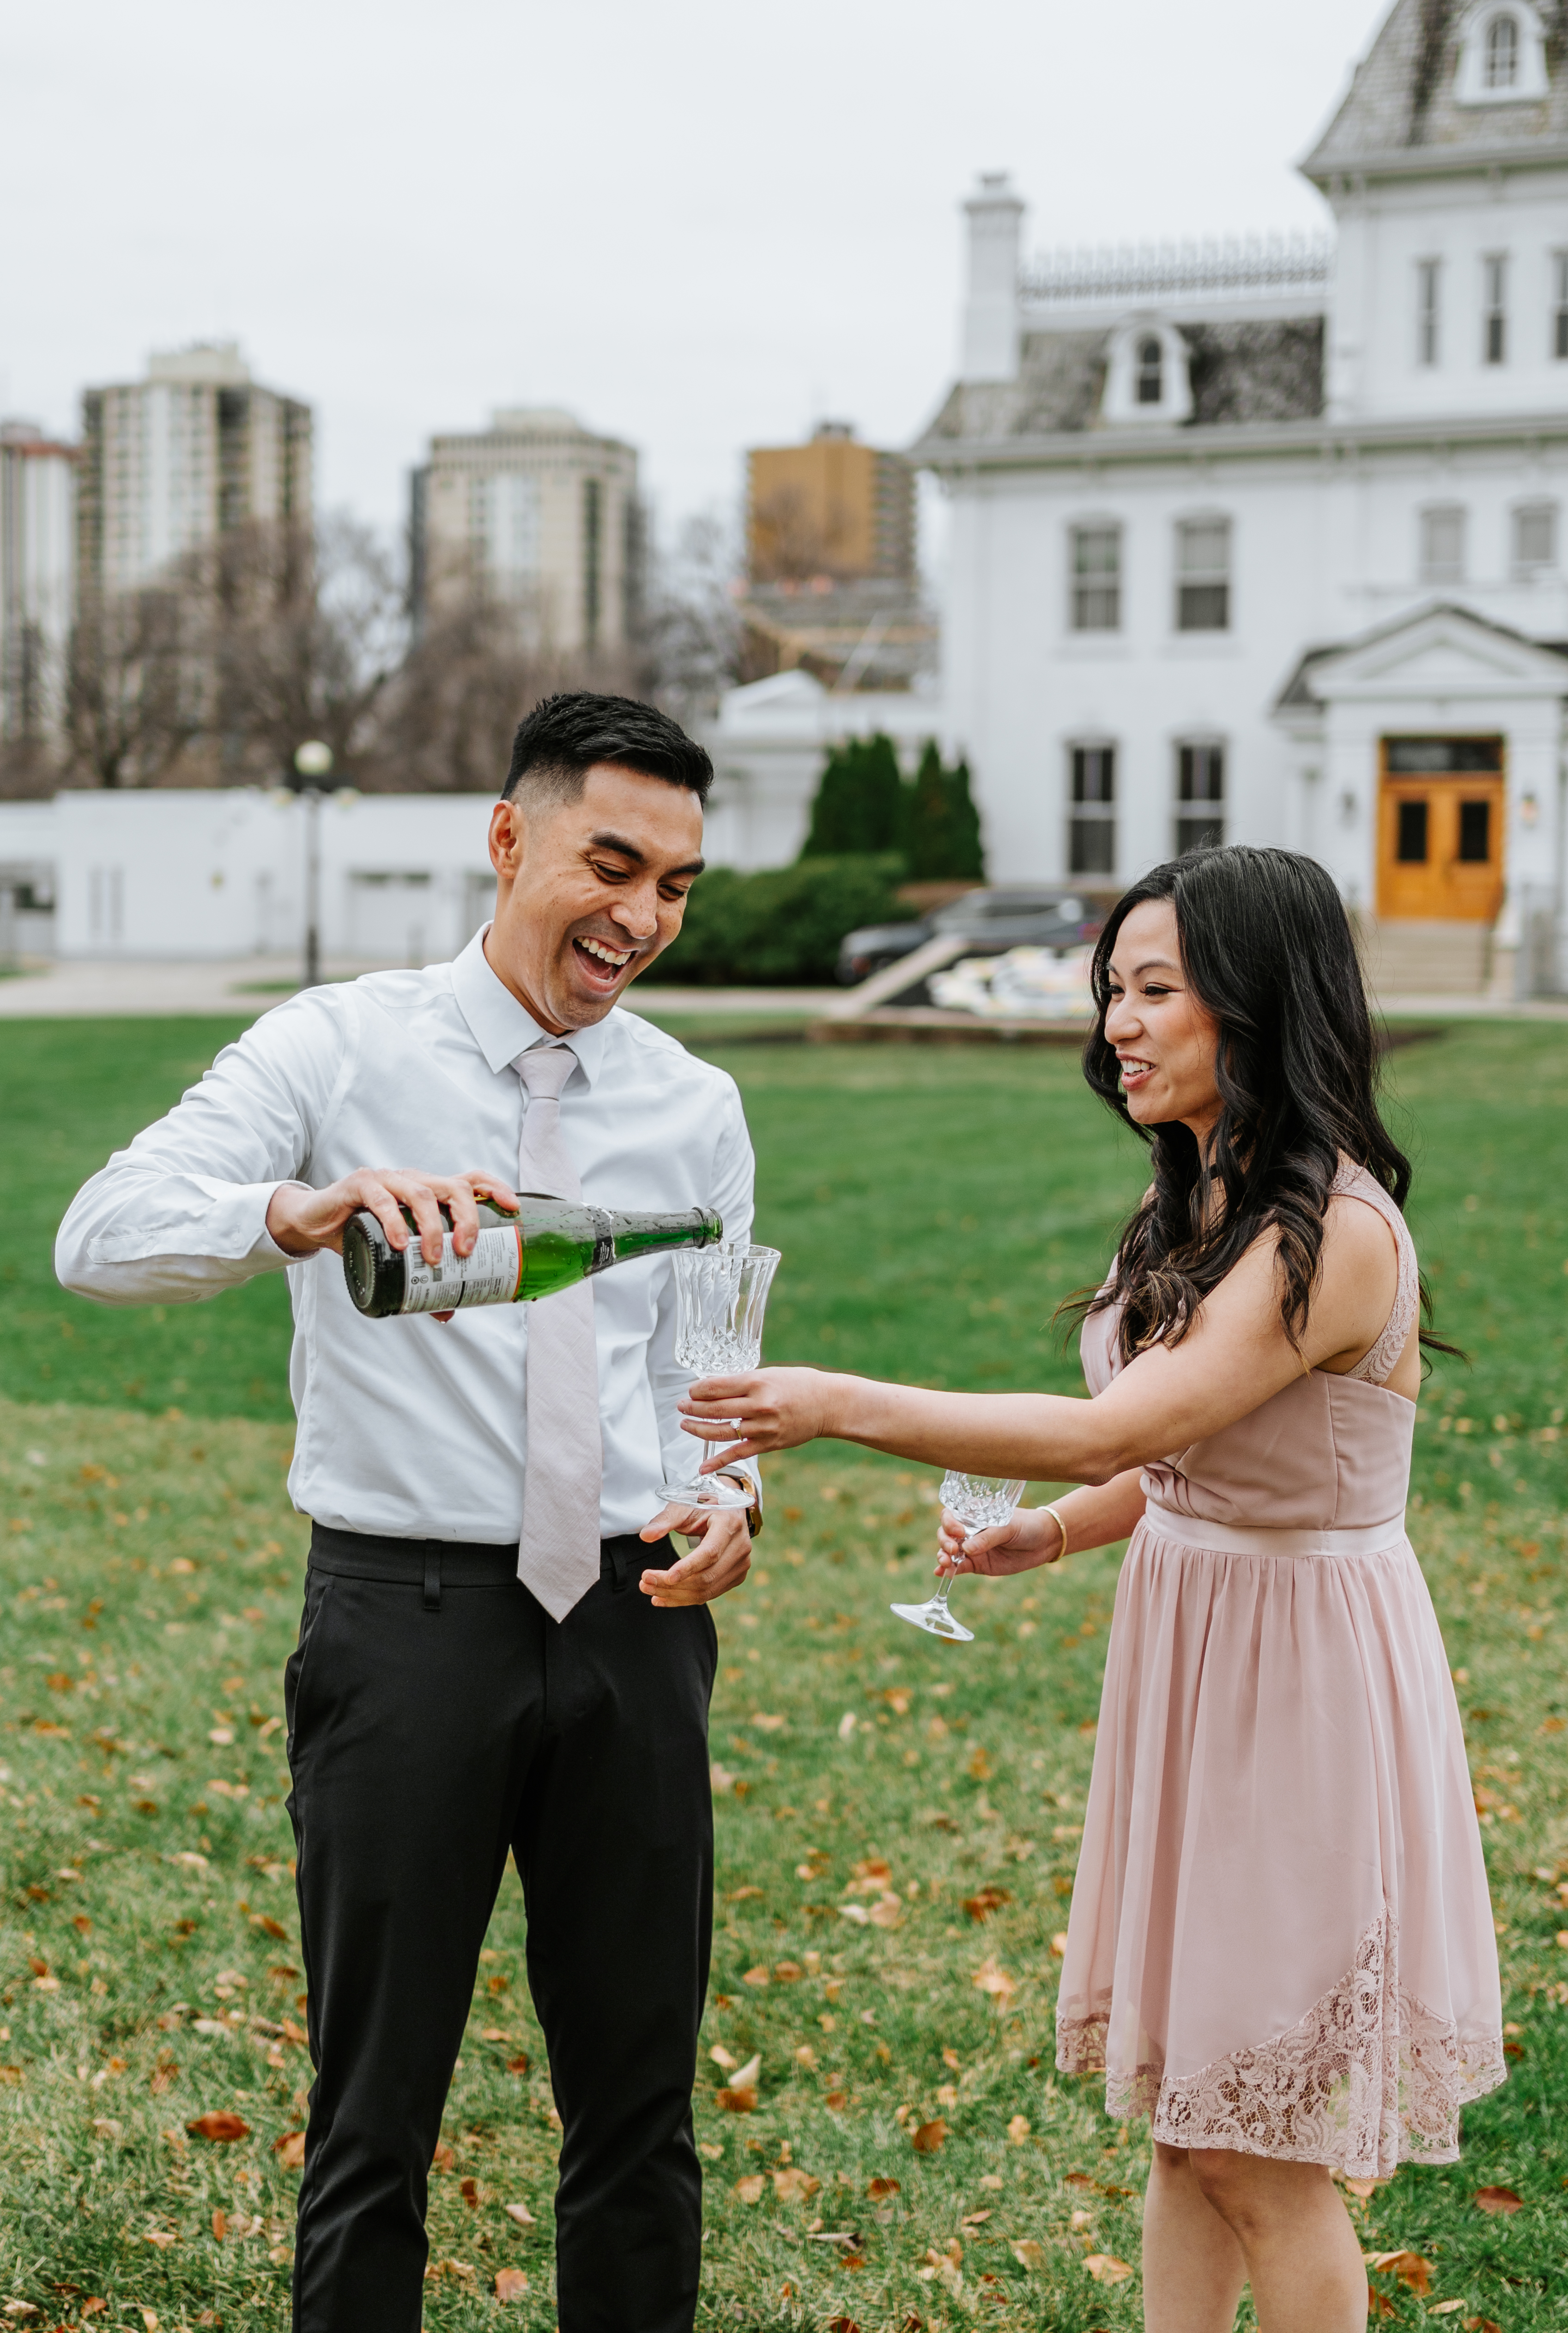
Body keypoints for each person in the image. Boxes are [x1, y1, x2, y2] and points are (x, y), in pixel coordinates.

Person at [682, 846, 1503, 2333]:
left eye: (1152, 991)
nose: (1116, 1024)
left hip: (1302, 1690)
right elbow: (1189, 1454)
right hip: (1198, 1656)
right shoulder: (1205, 1200)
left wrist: (831, 1399)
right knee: (1189, 2132)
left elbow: (1123, 1425)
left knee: (1260, 2153)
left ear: (1252, 1002)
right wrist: (1052, 1535)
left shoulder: (1334, 1235)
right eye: (1108, 992)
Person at [55, 692, 760, 2333]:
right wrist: (299, 1210)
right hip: (404, 1627)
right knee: (375, 2121)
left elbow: (710, 1365)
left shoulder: (694, 1105)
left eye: (675, 886)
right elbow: (102, 1232)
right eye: (611, 863)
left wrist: (728, 1497)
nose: (642, 917)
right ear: (507, 840)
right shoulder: (339, 1044)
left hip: (639, 1627)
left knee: (641, 2117)